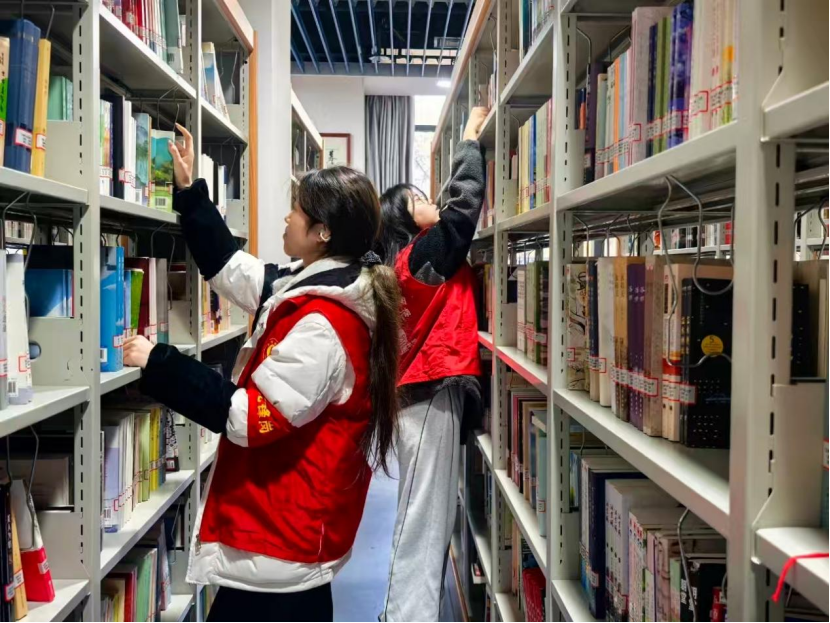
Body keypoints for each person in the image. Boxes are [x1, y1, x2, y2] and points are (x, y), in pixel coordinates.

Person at [123, 124, 401, 623]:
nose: (286, 216)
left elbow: (250, 418)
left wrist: (159, 362)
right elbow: (234, 270)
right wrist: (190, 194)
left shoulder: (324, 325)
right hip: (282, 534)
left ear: (322, 233)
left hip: (283, 541)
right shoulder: (314, 282)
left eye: (297, 209)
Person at [378, 106, 489, 622]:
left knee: (426, 517)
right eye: (417, 200)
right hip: (425, 400)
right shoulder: (421, 256)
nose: (431, 202)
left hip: (422, 399)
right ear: (404, 221)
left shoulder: (406, 263)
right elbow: (461, 210)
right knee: (422, 523)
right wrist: (468, 141)